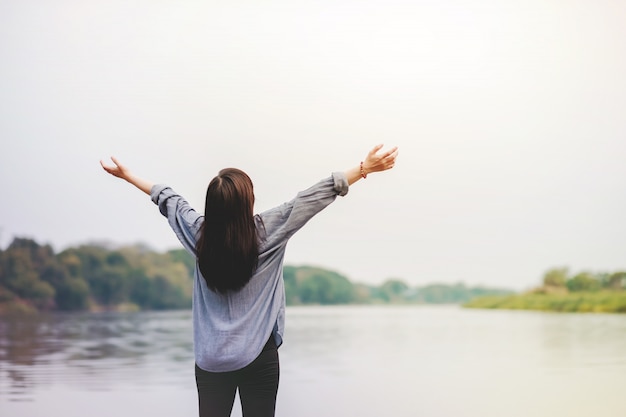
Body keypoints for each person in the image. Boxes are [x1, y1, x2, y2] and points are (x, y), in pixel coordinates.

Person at [100, 144, 398, 417]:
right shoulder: (269, 230)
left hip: (211, 360)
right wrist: (363, 169)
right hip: (259, 356)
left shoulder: (199, 234)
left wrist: (129, 176)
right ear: (248, 200)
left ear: (212, 205)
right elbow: (314, 196)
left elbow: (169, 199)